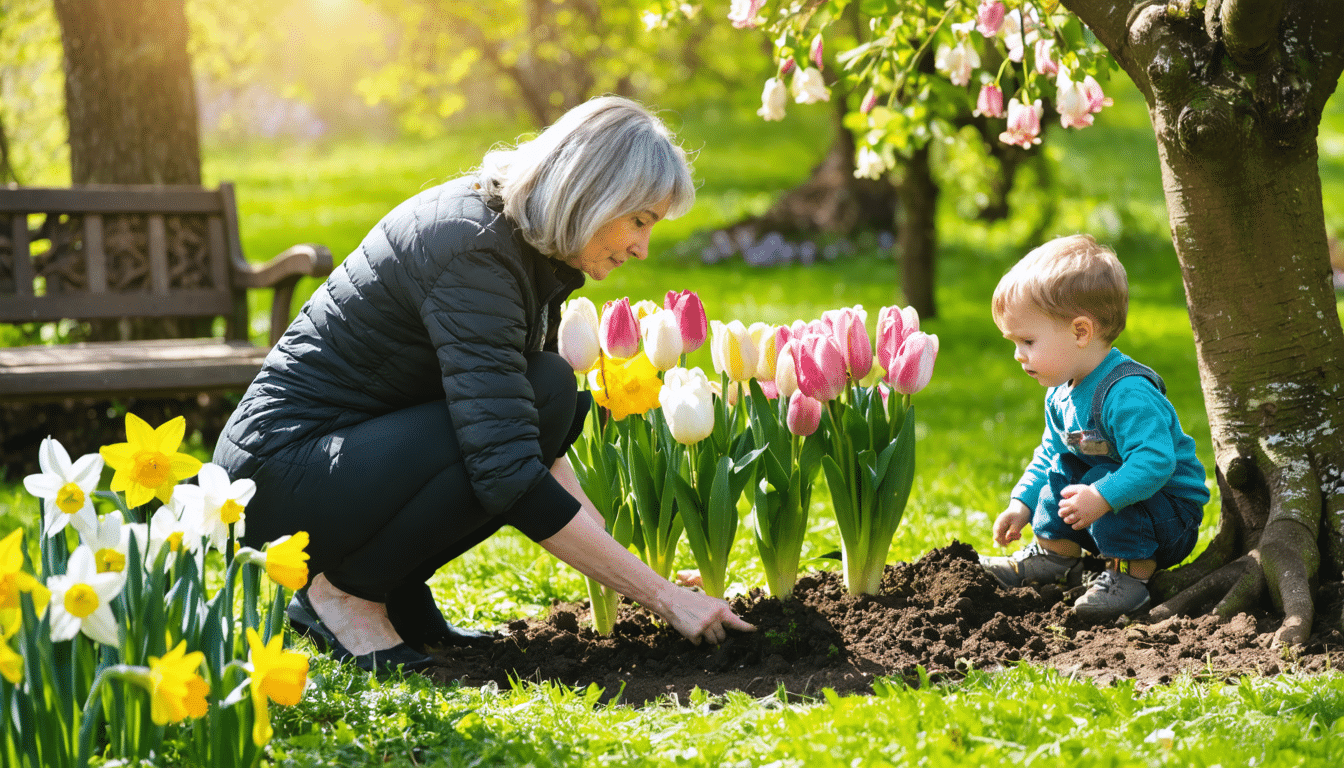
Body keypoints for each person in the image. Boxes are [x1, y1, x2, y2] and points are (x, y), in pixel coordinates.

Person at [214, 96, 754, 672]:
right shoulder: (472, 250)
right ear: (594, 192)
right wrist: (664, 600)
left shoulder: (518, 243)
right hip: (276, 481)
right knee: (530, 415)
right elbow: (505, 465)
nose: (642, 248)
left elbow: (528, 436)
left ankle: (394, 597)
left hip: (332, 462)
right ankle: (344, 598)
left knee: (547, 395)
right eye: (640, 221)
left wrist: (645, 572)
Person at [978, 234, 1210, 622]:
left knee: (1101, 473)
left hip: (1168, 517)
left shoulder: (1127, 393)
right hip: (1104, 510)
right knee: (1065, 466)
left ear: (1081, 332)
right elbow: (1051, 453)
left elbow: (1155, 462)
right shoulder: (1061, 392)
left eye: (1028, 340)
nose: (1018, 355)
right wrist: (1022, 503)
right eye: (1014, 342)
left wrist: (1101, 496)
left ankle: (1131, 579)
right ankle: (1056, 557)